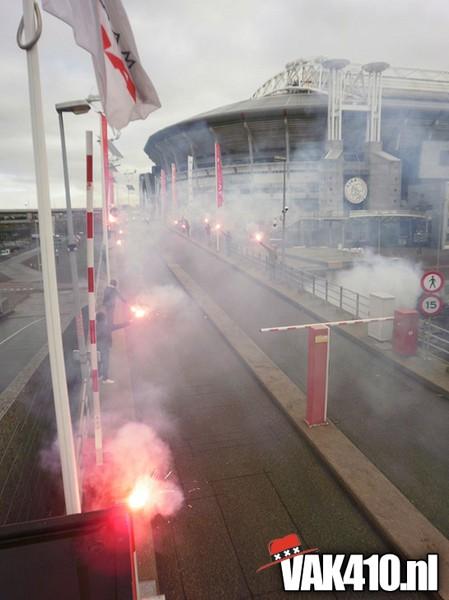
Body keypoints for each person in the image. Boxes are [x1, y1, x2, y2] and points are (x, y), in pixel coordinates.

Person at [96, 311, 130, 383]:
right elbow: (117, 326)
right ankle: (105, 378)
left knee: (99, 361)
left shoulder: (96, 325)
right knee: (105, 362)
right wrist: (128, 323)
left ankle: (98, 376)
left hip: (97, 346)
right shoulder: (107, 326)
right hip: (105, 347)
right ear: (104, 319)